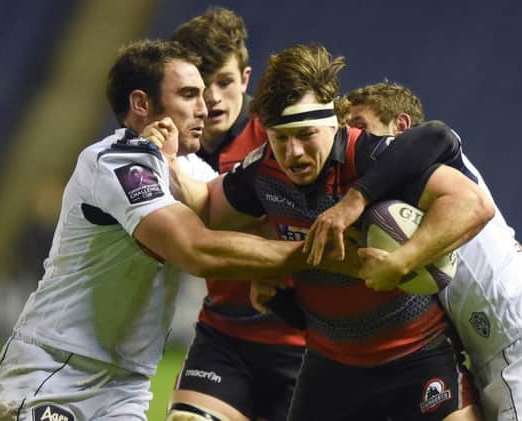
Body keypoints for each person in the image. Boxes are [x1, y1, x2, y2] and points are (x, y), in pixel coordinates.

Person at [0, 39, 358, 421]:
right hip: (56, 368)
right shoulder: (115, 162)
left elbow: (245, 217)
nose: (205, 106)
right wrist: (315, 255)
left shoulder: (185, 168)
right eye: (189, 94)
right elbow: (196, 249)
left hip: (126, 386)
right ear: (142, 104)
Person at [166, 43, 490, 421]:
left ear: (333, 122)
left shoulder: (370, 156)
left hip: (416, 356)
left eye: (305, 134)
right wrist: (167, 159)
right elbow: (208, 208)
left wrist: (402, 262)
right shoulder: (264, 170)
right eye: (280, 138)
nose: (294, 152)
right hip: (332, 368)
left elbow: (473, 204)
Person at [318, 80, 522, 420]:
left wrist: (356, 198)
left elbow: (438, 134)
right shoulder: (404, 208)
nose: (357, 142)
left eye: (360, 127)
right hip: (486, 360)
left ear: (400, 126)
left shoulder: (437, 165)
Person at [167, 8, 306, 421]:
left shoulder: (280, 136)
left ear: (246, 79)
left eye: (224, 82)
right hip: (224, 334)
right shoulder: (169, 147)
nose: (212, 99)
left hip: (303, 341)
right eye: (199, 86)